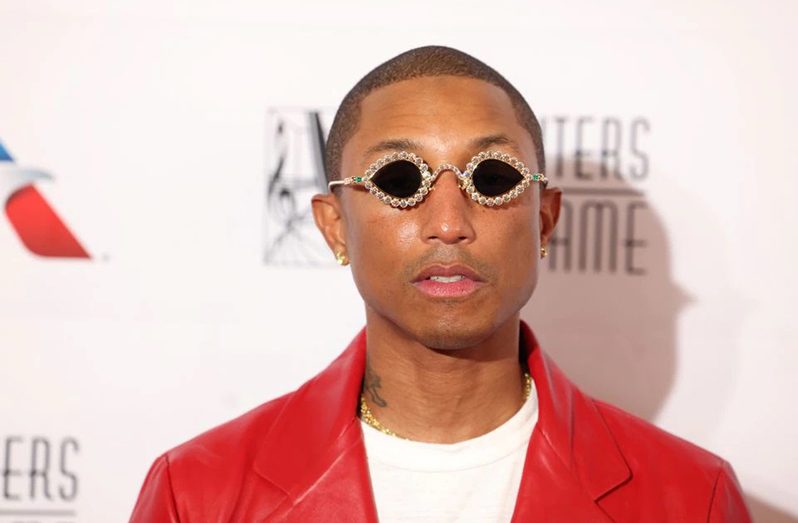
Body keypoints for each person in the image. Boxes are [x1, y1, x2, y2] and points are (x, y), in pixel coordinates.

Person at [129, 46, 751, 522]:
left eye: (493, 176)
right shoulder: (199, 494)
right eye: (400, 179)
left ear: (545, 218)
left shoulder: (691, 497)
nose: (449, 224)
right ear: (333, 226)